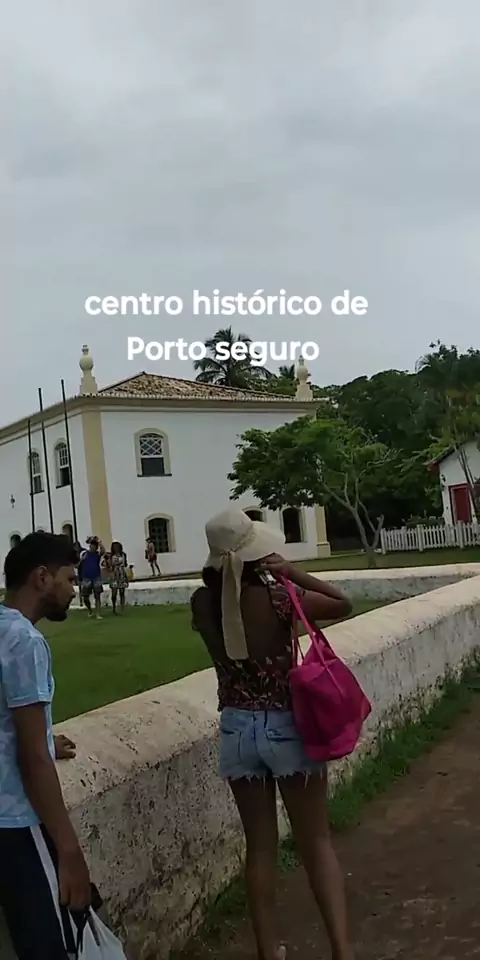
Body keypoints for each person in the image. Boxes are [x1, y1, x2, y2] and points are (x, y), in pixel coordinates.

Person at [190, 507, 355, 960]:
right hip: (285, 725)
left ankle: (268, 950)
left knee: (259, 847)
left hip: (236, 729)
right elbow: (342, 603)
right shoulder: (279, 597)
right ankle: (341, 950)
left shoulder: (200, 604)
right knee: (315, 842)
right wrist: (292, 572)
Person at [0, 532, 94, 957]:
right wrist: (69, 850)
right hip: (17, 824)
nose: (74, 589)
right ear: (41, 578)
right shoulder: (26, 641)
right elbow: (32, 759)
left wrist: (41, 735)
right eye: (69, 579)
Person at [78, 536, 103, 620]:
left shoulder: (97, 554)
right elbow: (77, 565)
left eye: (94, 546)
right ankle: (90, 610)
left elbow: (103, 551)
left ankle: (98, 613)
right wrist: (82, 560)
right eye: (91, 545)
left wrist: (99, 542)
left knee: (97, 596)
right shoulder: (84, 554)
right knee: (85, 596)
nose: (92, 547)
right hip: (86, 577)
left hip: (96, 577)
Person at [105, 540, 129, 615]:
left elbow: (125, 564)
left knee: (122, 592)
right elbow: (108, 565)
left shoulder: (123, 554)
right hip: (114, 574)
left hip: (121, 574)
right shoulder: (110, 556)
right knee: (114, 593)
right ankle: (114, 608)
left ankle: (122, 608)